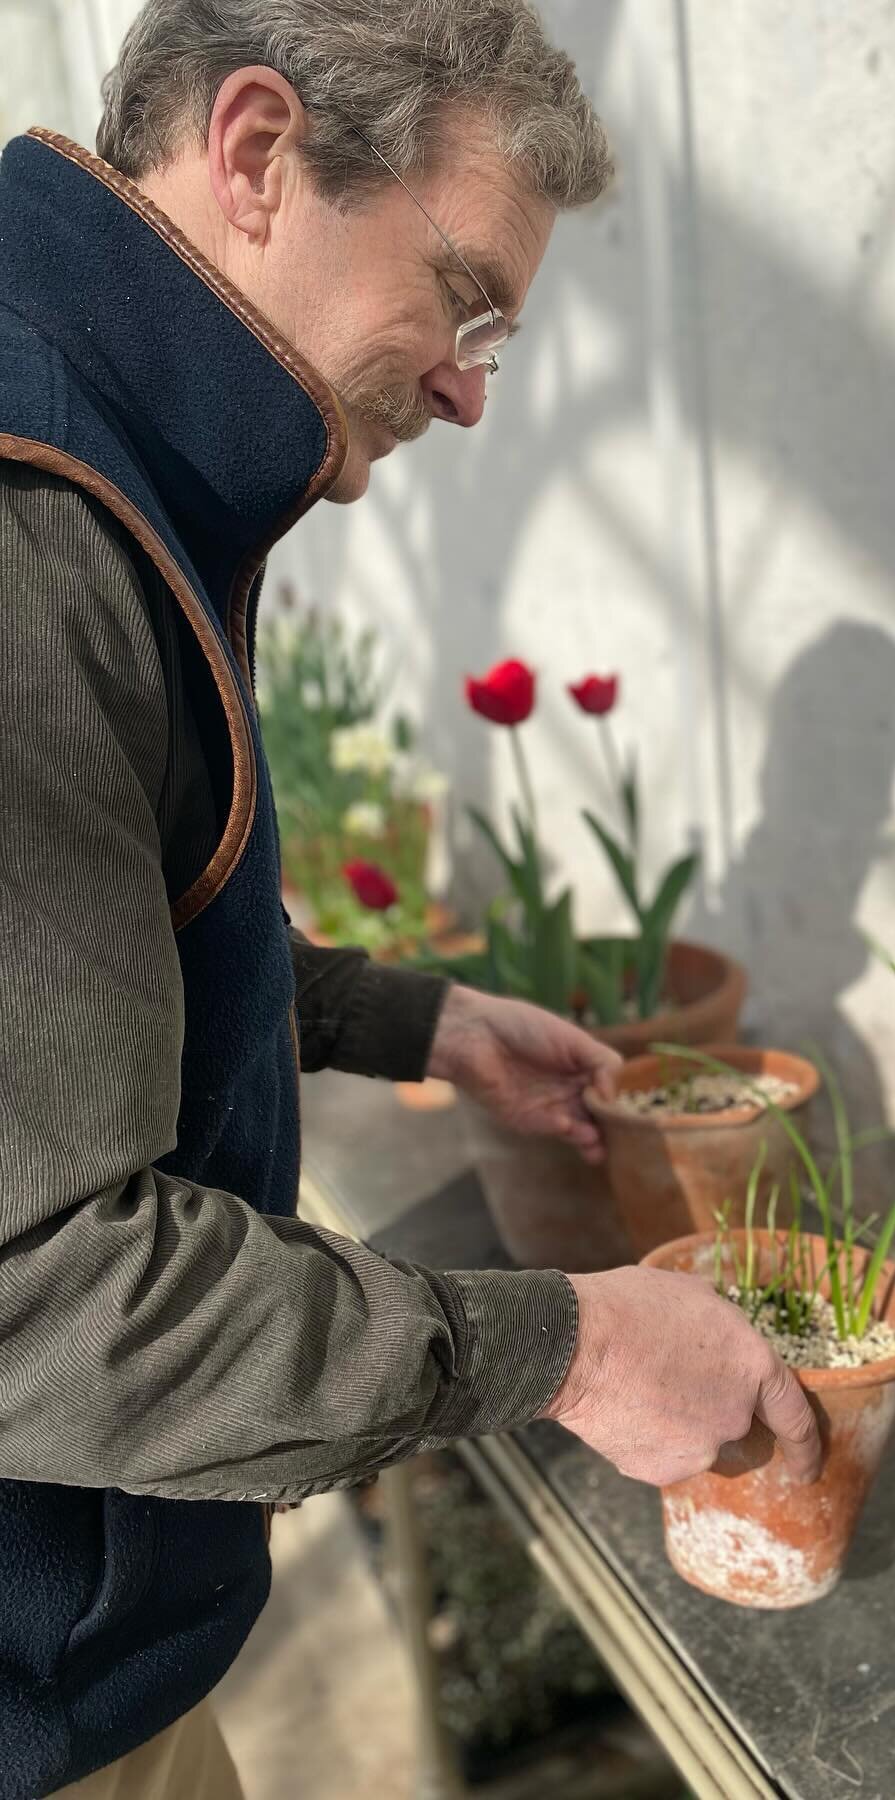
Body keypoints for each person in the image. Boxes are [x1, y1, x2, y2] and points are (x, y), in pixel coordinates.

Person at [0, 4, 820, 1794]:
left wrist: (408, 1017)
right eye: (460, 297)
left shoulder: (116, 450)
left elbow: (75, 966)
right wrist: (577, 1350)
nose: (466, 382)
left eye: (495, 336)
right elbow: (40, 1287)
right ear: (258, 153)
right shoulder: (32, 530)